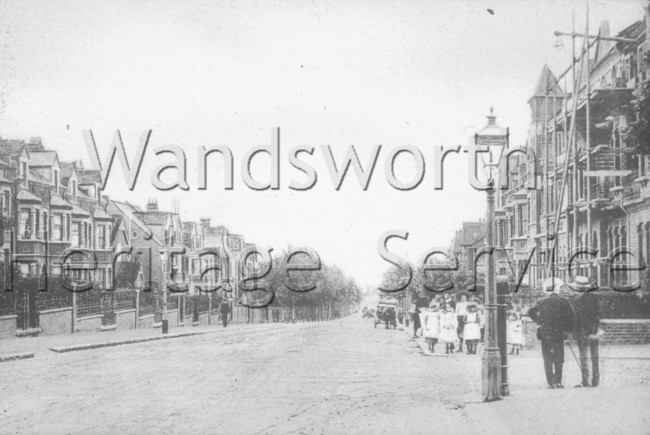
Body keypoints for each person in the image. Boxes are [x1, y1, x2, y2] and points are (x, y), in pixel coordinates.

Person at [528, 282, 575, 389]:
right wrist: (567, 330)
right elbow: (572, 317)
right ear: (557, 290)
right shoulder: (564, 301)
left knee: (547, 358)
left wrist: (540, 321)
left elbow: (530, 312)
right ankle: (558, 382)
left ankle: (550, 382)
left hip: (546, 333)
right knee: (559, 357)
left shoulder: (543, 302)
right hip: (559, 333)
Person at [569, 276, 601, 388]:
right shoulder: (595, 298)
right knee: (594, 356)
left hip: (582, 331)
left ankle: (585, 380)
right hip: (593, 330)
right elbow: (598, 315)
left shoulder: (576, 300)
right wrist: (596, 328)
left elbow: (575, 318)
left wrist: (573, 332)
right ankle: (595, 380)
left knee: (584, 357)